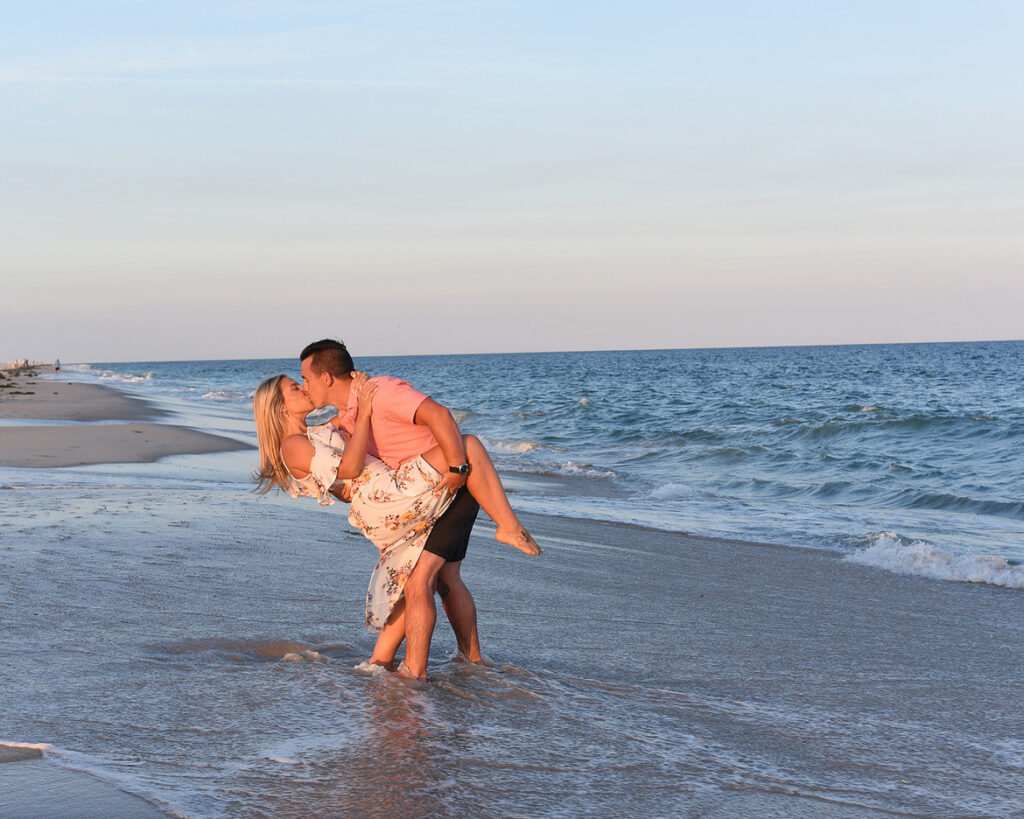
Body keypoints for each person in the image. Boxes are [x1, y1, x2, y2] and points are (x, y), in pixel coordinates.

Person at [253, 366, 540, 677]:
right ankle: (508, 527)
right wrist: (364, 413)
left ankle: (380, 661)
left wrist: (358, 390)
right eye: (296, 388)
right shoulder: (292, 445)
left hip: (379, 500)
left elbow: (346, 412)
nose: (304, 388)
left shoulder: (313, 433)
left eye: (303, 382)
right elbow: (349, 469)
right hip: (385, 496)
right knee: (467, 446)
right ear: (281, 409)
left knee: (420, 579)